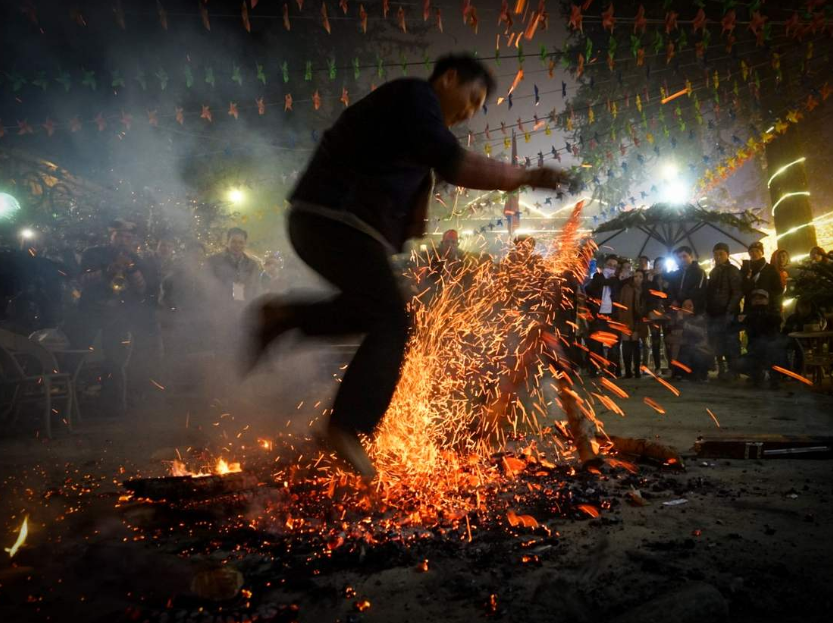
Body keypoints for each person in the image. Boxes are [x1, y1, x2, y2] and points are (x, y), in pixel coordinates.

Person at [242, 54, 574, 477]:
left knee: (376, 313)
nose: (471, 112)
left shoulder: (417, 130)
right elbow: (458, 165)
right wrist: (525, 176)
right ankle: (345, 427)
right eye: (473, 98)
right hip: (333, 219)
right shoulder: (415, 98)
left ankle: (286, 316)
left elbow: (418, 208)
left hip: (335, 226)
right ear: (449, 78)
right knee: (393, 321)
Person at [75, 220, 147, 416]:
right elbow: (81, 280)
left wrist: (131, 268)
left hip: (117, 317)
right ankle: (74, 403)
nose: (123, 240)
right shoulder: (93, 253)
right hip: (90, 313)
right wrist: (108, 271)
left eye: (127, 237)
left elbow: (142, 288)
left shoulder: (134, 258)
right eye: (119, 236)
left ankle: (113, 406)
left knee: (116, 360)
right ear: (111, 235)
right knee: (78, 355)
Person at [735, 289, 787, 389]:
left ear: (767, 300)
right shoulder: (748, 313)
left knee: (775, 356)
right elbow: (738, 326)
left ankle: (774, 379)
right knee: (741, 362)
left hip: (771, 346)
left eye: (761, 298)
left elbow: (777, 321)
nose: (757, 300)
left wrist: (763, 315)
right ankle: (757, 377)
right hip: (753, 347)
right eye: (755, 298)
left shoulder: (773, 311)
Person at [706, 242, 742, 380]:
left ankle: (734, 370)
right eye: (715, 254)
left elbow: (737, 292)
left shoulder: (733, 270)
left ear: (727, 254)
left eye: (721, 254)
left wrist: (729, 310)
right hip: (714, 312)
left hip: (727, 312)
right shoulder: (714, 271)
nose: (718, 257)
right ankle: (721, 368)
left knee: (731, 342)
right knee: (717, 341)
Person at [585, 254, 622, 377]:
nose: (611, 267)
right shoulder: (598, 277)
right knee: (595, 344)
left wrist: (614, 280)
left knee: (613, 344)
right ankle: (594, 370)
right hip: (598, 315)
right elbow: (596, 284)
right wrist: (612, 280)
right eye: (609, 265)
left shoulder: (617, 281)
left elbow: (617, 291)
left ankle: (611, 371)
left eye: (614, 266)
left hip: (612, 316)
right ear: (605, 265)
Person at [207, 227, 261, 306]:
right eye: (233, 241)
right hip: (219, 307)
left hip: (245, 307)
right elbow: (207, 286)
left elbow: (256, 289)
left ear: (245, 243)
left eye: (241, 242)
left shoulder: (252, 265)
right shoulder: (213, 261)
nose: (237, 245)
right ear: (227, 242)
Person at [616, 269, 647, 378]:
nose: (638, 279)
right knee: (626, 345)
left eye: (640, 277)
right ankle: (628, 371)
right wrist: (621, 318)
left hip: (637, 320)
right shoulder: (626, 288)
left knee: (635, 344)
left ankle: (637, 370)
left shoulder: (643, 289)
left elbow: (644, 305)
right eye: (636, 276)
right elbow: (621, 302)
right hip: (626, 319)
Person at [783, 298, 827, 372]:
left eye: (806, 306)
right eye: (801, 306)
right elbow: (785, 331)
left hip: (811, 342)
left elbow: (817, 328)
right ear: (797, 307)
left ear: (810, 307)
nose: (803, 309)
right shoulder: (793, 318)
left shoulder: (815, 317)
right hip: (793, 341)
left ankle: (798, 371)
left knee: (799, 349)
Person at [741, 241, 783, 313]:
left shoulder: (770, 268)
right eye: (751, 251)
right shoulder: (745, 269)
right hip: (750, 307)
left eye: (757, 251)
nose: (754, 253)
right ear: (749, 253)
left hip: (768, 308)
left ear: (762, 253)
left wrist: (767, 298)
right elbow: (741, 287)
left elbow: (778, 289)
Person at [676, 299, 711, 382]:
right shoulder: (681, 319)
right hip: (687, 347)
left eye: (690, 306)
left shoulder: (699, 319)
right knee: (684, 352)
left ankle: (701, 374)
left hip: (699, 347)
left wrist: (682, 322)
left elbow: (700, 332)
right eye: (684, 306)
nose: (687, 308)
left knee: (697, 354)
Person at [644, 256, 670, 373]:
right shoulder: (650, 278)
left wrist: (667, 286)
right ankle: (657, 367)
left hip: (666, 312)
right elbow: (646, 295)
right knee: (655, 340)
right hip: (654, 311)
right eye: (658, 265)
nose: (660, 267)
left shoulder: (669, 277)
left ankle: (670, 366)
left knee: (668, 339)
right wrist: (649, 281)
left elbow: (672, 293)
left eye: (662, 265)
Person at [670, 246, 707, 314]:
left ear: (691, 256)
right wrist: (674, 299)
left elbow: (699, 289)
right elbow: (672, 288)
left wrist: (689, 300)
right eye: (679, 257)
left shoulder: (699, 272)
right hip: (679, 308)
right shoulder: (677, 273)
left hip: (694, 308)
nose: (682, 259)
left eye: (684, 256)